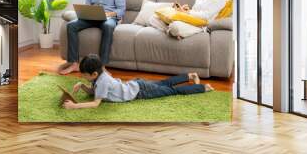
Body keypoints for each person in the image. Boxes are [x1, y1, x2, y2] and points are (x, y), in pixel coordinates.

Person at [62, 54, 214, 109]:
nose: (83, 78)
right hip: (137, 84)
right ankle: (190, 75)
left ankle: (203, 87)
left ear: (94, 73)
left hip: (140, 91)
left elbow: (95, 103)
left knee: (172, 90)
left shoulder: (102, 82)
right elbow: (93, 92)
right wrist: (83, 86)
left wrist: (75, 106)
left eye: (84, 76)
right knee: (164, 83)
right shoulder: (100, 76)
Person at [59, 0, 126, 75]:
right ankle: (74, 64)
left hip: (108, 18)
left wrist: (109, 14)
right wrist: (88, 12)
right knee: (71, 25)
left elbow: (121, 10)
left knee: (108, 26)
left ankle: (102, 67)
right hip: (92, 17)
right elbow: (86, 6)